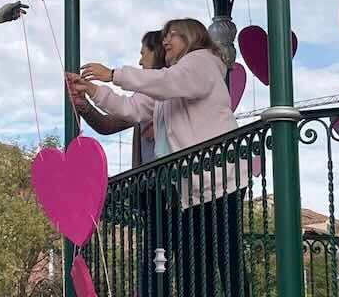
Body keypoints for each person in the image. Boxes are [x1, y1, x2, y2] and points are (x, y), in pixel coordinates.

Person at [68, 18, 245, 297]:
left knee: (226, 262)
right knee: (194, 270)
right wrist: (93, 91)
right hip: (193, 188)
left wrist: (113, 74)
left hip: (219, 179)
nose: (165, 40)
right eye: (164, 36)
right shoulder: (169, 85)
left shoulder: (201, 62)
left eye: (172, 34)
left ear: (191, 37)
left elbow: (170, 81)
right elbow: (129, 109)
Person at [71, 30, 166, 167]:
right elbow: (107, 125)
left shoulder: (175, 93)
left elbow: (126, 109)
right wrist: (84, 106)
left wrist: (108, 77)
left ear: (156, 53)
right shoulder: (143, 102)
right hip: (150, 182)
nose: (140, 61)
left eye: (143, 54)